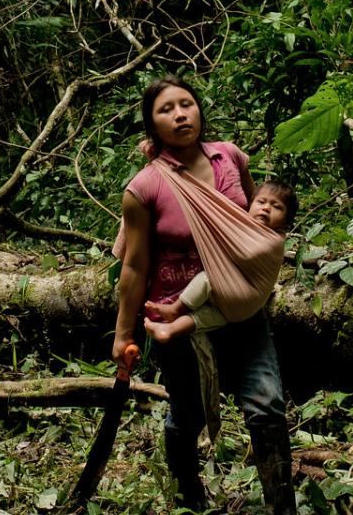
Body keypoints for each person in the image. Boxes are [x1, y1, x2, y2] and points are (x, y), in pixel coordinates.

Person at [113, 75, 295, 514]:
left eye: (186, 104)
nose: (180, 114)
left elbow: (255, 228)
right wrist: (122, 334)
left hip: (239, 305)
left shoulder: (229, 157)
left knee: (267, 406)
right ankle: (190, 498)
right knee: (187, 415)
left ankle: (282, 510)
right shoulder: (145, 188)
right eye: (166, 109)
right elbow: (134, 266)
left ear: (199, 110)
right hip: (174, 319)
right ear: (151, 125)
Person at [142, 180, 296, 344]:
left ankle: (176, 308)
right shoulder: (246, 225)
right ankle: (169, 330)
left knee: (208, 277)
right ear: (249, 205)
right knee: (202, 317)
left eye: (277, 207)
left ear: (286, 221)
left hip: (239, 295)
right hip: (240, 311)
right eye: (261, 202)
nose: (266, 208)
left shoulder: (274, 240)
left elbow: (246, 253)